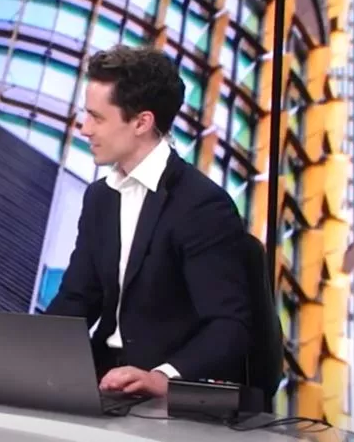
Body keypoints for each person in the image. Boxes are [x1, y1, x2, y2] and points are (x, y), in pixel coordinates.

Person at [46, 45, 251, 398]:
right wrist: (26, 353)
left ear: (142, 122)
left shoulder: (202, 205)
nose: (84, 128)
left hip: (162, 395)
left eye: (97, 117)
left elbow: (230, 327)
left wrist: (162, 378)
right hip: (98, 379)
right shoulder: (100, 198)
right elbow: (77, 300)